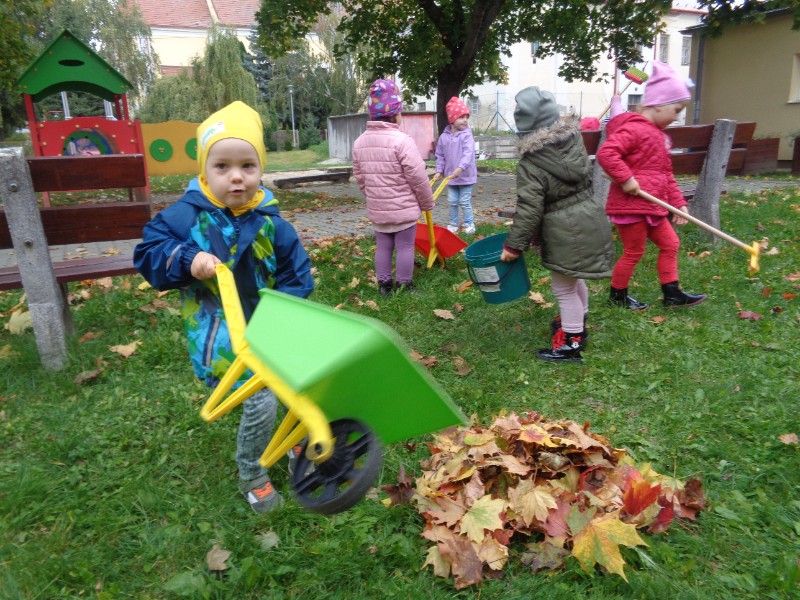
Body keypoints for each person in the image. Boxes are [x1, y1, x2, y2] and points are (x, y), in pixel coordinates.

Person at [134, 101, 314, 513]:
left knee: (299, 382)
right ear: (204, 170)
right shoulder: (184, 217)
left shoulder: (271, 223)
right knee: (260, 398)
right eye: (222, 166)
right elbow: (149, 253)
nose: (237, 176)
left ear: (261, 168)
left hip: (272, 327)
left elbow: (297, 275)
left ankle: (296, 441)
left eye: (248, 166)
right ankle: (252, 472)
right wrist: (187, 258)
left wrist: (284, 313)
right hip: (220, 332)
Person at [500, 87, 614, 362]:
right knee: (575, 277)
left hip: (566, 231)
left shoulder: (531, 163)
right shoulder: (574, 143)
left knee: (564, 288)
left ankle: (572, 342)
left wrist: (513, 246)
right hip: (590, 217)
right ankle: (579, 321)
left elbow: (529, 209)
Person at [597, 61, 706, 310]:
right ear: (659, 104)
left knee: (671, 244)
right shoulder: (634, 129)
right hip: (630, 207)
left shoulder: (659, 136)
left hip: (654, 207)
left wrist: (679, 203)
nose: (677, 117)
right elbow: (607, 154)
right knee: (634, 251)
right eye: (676, 110)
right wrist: (626, 179)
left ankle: (672, 294)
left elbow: (666, 175)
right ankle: (617, 296)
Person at [352, 78, 435, 296]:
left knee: (383, 246)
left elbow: (360, 177)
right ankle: (404, 285)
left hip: (379, 210)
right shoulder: (402, 141)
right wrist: (427, 203)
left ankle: (384, 285)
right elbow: (418, 177)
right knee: (405, 246)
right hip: (403, 209)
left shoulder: (359, 143)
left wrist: (372, 195)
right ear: (396, 113)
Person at [433, 97, 478, 234]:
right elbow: (440, 155)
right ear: (452, 119)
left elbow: (468, 153)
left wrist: (460, 168)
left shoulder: (467, 135)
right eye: (461, 117)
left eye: (466, 117)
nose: (465, 120)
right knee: (452, 201)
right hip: (451, 177)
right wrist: (439, 171)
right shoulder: (443, 137)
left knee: (464, 201)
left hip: (465, 176)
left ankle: (469, 224)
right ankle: (453, 223)